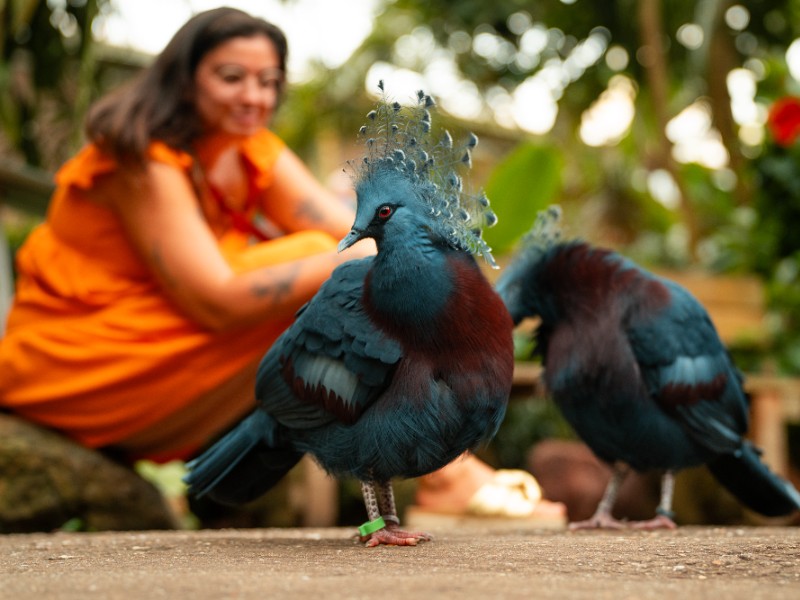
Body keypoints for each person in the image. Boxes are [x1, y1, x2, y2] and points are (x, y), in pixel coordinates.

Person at [0, 6, 563, 524]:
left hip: (166, 350)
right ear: (183, 76)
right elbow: (216, 296)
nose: (254, 96)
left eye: (269, 82)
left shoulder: (253, 152)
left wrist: (422, 250)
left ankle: (441, 472)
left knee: (352, 271)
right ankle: (445, 478)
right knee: (339, 288)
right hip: (78, 361)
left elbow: (344, 225)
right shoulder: (141, 158)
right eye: (232, 77)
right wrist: (388, 260)